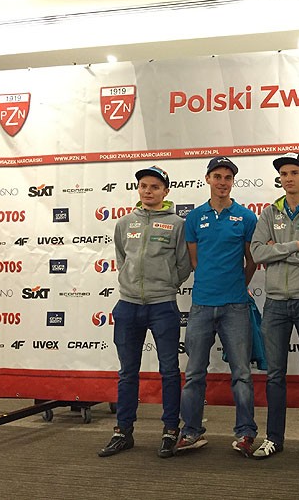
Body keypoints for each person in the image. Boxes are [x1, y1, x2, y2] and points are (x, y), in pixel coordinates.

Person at [98, 165, 192, 458]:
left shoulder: (177, 224)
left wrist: (167, 284)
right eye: (144, 186)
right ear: (138, 189)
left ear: (165, 191)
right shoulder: (125, 223)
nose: (148, 191)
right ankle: (123, 432)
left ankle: (170, 431)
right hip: (127, 306)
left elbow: (184, 264)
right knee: (127, 373)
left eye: (154, 186)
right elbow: (121, 257)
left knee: (169, 371)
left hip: (163, 306)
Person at [250, 152, 299, 461]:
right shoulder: (270, 212)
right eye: (283, 173)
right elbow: (258, 253)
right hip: (275, 303)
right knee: (274, 375)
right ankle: (273, 438)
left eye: (294, 172)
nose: (288, 178)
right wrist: (295, 246)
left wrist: (277, 251)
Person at [175, 156, 259, 456]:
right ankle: (191, 431)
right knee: (194, 373)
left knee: (242, 374)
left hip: (235, 305)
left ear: (233, 181)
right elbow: (195, 261)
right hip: (201, 305)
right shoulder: (194, 218)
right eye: (217, 176)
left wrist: (236, 285)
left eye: (228, 177)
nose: (222, 182)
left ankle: (246, 433)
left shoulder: (246, 218)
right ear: (208, 179)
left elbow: (251, 261)